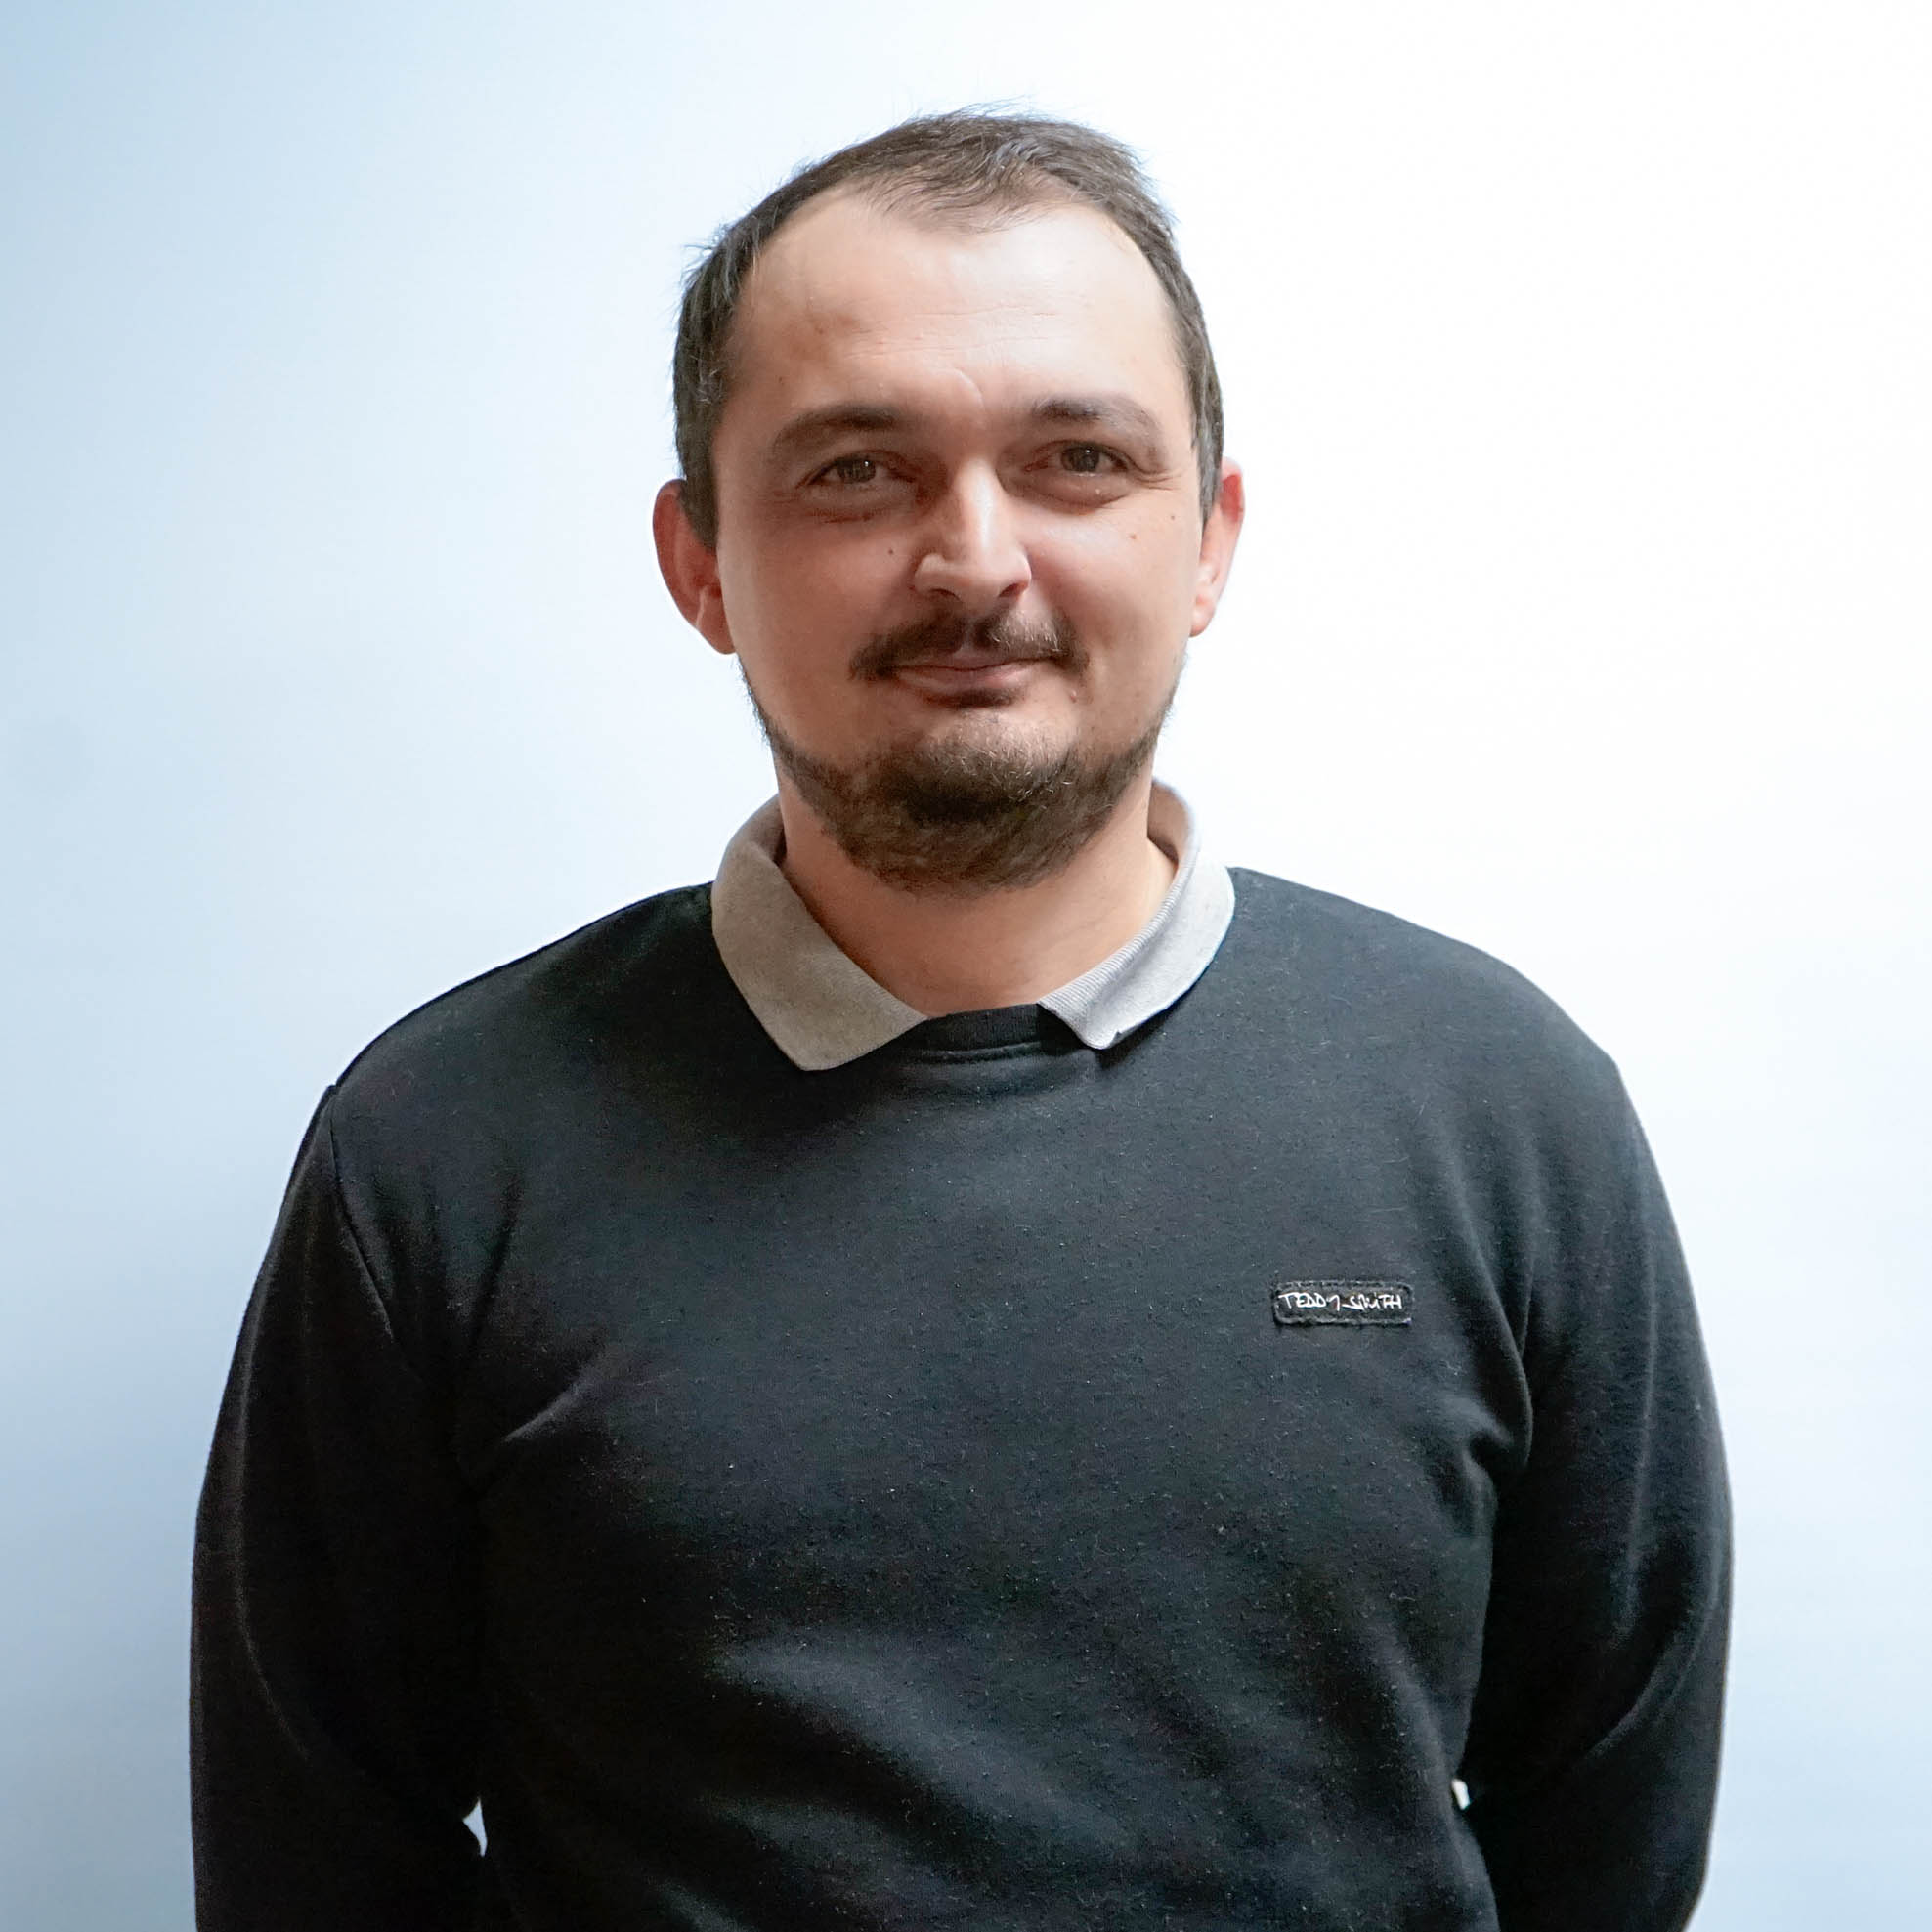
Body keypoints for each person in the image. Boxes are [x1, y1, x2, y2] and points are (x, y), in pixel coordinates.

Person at [191, 111, 1730, 1932]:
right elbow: (315, 1854)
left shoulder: (1501, 1108)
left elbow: (1604, 1828)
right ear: (699, 562)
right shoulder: (444, 1148)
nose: (974, 557)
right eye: (857, 471)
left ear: (1209, 540)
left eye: (1078, 459)